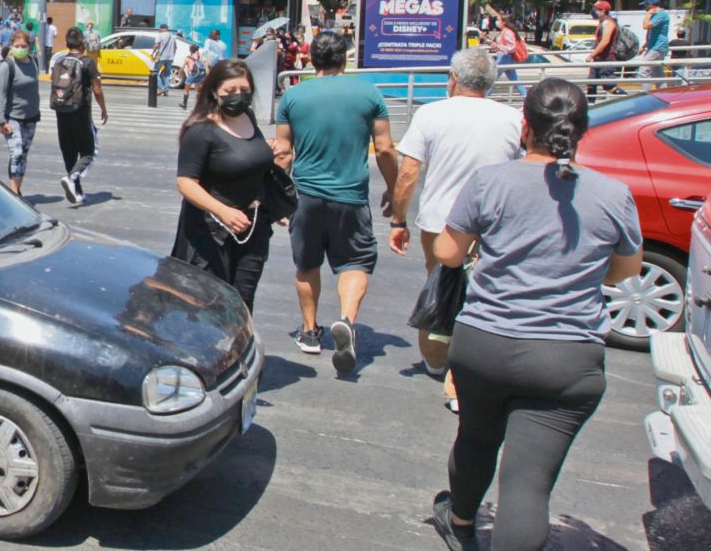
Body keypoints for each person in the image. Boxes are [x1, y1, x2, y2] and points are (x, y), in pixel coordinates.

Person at [429, 78, 643, 551]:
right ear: (581, 132)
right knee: (528, 485)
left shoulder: (489, 181)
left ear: (524, 126)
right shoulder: (614, 194)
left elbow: (447, 252)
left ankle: (461, 522)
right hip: (566, 358)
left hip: (485, 343)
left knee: (476, 438)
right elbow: (624, 271)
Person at [389, 48, 523, 414]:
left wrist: (398, 220)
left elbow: (408, 173)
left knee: (444, 289)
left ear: (453, 79)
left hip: (442, 224)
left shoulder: (431, 114)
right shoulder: (513, 118)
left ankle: (442, 364)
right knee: (484, 296)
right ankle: (469, 371)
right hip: (494, 224)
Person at [275, 32, 398, 374]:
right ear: (345, 58)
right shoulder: (369, 93)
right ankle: (346, 319)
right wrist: (392, 188)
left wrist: (279, 200)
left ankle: (311, 332)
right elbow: (385, 148)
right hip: (351, 197)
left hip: (306, 196)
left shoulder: (293, 96)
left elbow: (283, 153)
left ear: (311, 59)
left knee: (306, 263)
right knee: (355, 262)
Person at [172, 59, 274, 311]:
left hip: (252, 228)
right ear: (215, 91)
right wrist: (223, 211)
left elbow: (245, 159)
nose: (238, 97)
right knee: (208, 304)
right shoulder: (201, 130)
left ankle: (238, 350)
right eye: (230, 92)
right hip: (211, 232)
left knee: (243, 301)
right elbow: (186, 182)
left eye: (244, 90)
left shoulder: (248, 117)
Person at [53, 27, 109, 204]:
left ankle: (77, 192)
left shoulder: (59, 60)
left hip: (61, 112)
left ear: (66, 43)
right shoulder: (87, 62)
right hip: (81, 112)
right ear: (83, 43)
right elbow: (97, 89)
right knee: (88, 152)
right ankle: (72, 179)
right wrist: (103, 109)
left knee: (69, 152)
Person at [0, 31, 41, 196]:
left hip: (31, 117)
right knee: (16, 153)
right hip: (13, 117)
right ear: (11, 46)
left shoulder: (34, 61)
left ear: (29, 47)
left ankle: (17, 190)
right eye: (17, 46)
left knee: (24, 154)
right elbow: (1, 94)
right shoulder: (7, 66)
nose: (20, 49)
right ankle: (14, 193)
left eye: (23, 46)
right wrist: (2, 120)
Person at [586, 0, 623, 100]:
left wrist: (592, 54)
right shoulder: (602, 22)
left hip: (607, 58)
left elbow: (605, 41)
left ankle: (627, 98)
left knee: (609, 86)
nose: (593, 11)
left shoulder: (608, 22)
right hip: (599, 58)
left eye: (596, 9)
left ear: (603, 11)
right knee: (591, 83)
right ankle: (590, 105)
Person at [486, 7, 526, 96]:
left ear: (503, 22)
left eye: (498, 20)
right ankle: (526, 98)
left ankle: (483, 98)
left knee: (493, 79)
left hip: (505, 57)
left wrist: (499, 47)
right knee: (515, 80)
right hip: (506, 57)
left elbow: (512, 47)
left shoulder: (507, 32)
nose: (497, 22)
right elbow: (501, 46)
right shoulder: (504, 31)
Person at [637, 0, 671, 84]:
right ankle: (663, 94)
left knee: (643, 71)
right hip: (654, 46)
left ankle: (645, 95)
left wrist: (648, 14)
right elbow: (651, 33)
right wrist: (644, 46)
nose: (645, 7)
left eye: (646, 5)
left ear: (651, 5)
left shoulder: (661, 14)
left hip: (658, 47)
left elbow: (646, 26)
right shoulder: (656, 15)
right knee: (658, 74)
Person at [180, 44, 206, 109]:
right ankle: (197, 106)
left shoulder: (188, 57)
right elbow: (205, 64)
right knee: (197, 91)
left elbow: (182, 67)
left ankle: (184, 104)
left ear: (190, 50)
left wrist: (180, 73)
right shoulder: (200, 56)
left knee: (186, 90)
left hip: (192, 75)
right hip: (199, 75)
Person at [153, 23, 176, 96]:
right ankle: (166, 90)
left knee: (155, 72)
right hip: (170, 58)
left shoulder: (160, 35)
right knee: (167, 74)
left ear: (161, 28)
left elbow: (156, 45)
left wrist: (153, 52)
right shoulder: (172, 36)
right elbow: (175, 47)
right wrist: (172, 55)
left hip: (162, 57)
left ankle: (161, 87)